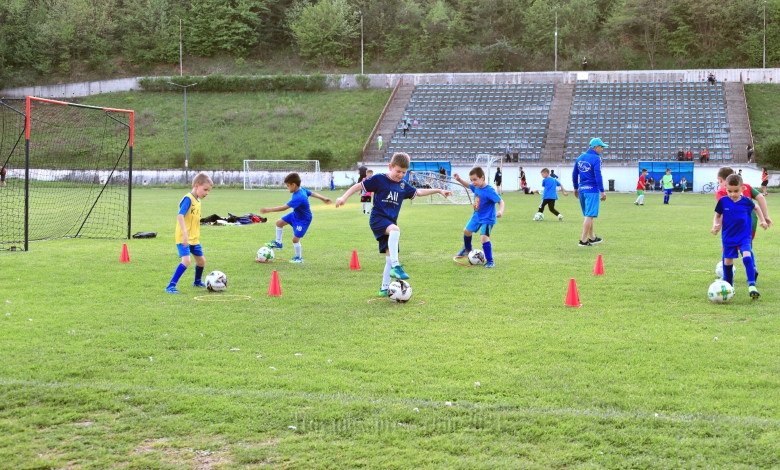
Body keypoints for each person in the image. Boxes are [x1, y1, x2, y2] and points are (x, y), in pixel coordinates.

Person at [335, 152, 452, 296]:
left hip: (390, 223)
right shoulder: (379, 179)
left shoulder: (403, 185)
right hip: (378, 219)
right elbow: (358, 186)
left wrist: (439, 190)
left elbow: (419, 192)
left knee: (390, 257)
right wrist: (343, 197)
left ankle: (384, 289)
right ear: (390, 166)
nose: (401, 175)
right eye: (398, 171)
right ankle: (397, 267)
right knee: (395, 231)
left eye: (404, 172)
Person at [711, 173, 768, 299]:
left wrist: (763, 220)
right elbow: (717, 216)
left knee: (747, 257)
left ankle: (752, 285)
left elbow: (757, 208)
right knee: (727, 262)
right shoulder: (723, 201)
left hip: (744, 236)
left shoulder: (746, 202)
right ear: (726, 189)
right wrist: (715, 225)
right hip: (728, 237)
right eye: (729, 191)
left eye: (736, 191)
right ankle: (729, 286)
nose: (732, 194)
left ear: (742, 189)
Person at [262, 172, 333, 263]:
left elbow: (284, 208)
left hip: (303, 220)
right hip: (295, 215)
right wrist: (323, 198)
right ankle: (278, 243)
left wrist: (269, 210)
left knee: (295, 239)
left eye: (288, 186)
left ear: (294, 185)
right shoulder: (301, 189)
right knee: (279, 223)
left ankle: (299, 258)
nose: (287, 188)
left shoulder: (299, 197)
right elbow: (312, 193)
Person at [166, 172, 213, 294]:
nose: (207, 193)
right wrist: (185, 233)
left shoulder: (198, 200)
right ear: (196, 186)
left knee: (201, 261)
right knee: (186, 261)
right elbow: (180, 216)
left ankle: (197, 282)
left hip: (194, 238)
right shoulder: (188, 199)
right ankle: (170, 286)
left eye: (208, 191)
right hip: (184, 238)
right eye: (205, 190)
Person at [452, 167, 504, 268]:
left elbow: (501, 201)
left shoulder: (489, 190)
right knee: (466, 231)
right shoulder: (476, 187)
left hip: (487, 219)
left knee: (484, 238)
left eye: (475, 179)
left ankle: (490, 261)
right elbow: (469, 186)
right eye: (471, 180)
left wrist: (501, 211)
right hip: (476, 216)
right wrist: (459, 179)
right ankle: (467, 250)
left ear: (482, 178)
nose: (473, 182)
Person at [572, 138, 606, 247]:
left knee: (588, 215)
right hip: (592, 190)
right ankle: (583, 240)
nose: (602, 149)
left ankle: (592, 238)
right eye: (601, 147)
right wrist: (602, 191)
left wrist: (576, 188)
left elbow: (574, 174)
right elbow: (598, 175)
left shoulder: (580, 157)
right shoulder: (596, 158)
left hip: (582, 189)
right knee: (589, 215)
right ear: (596, 147)